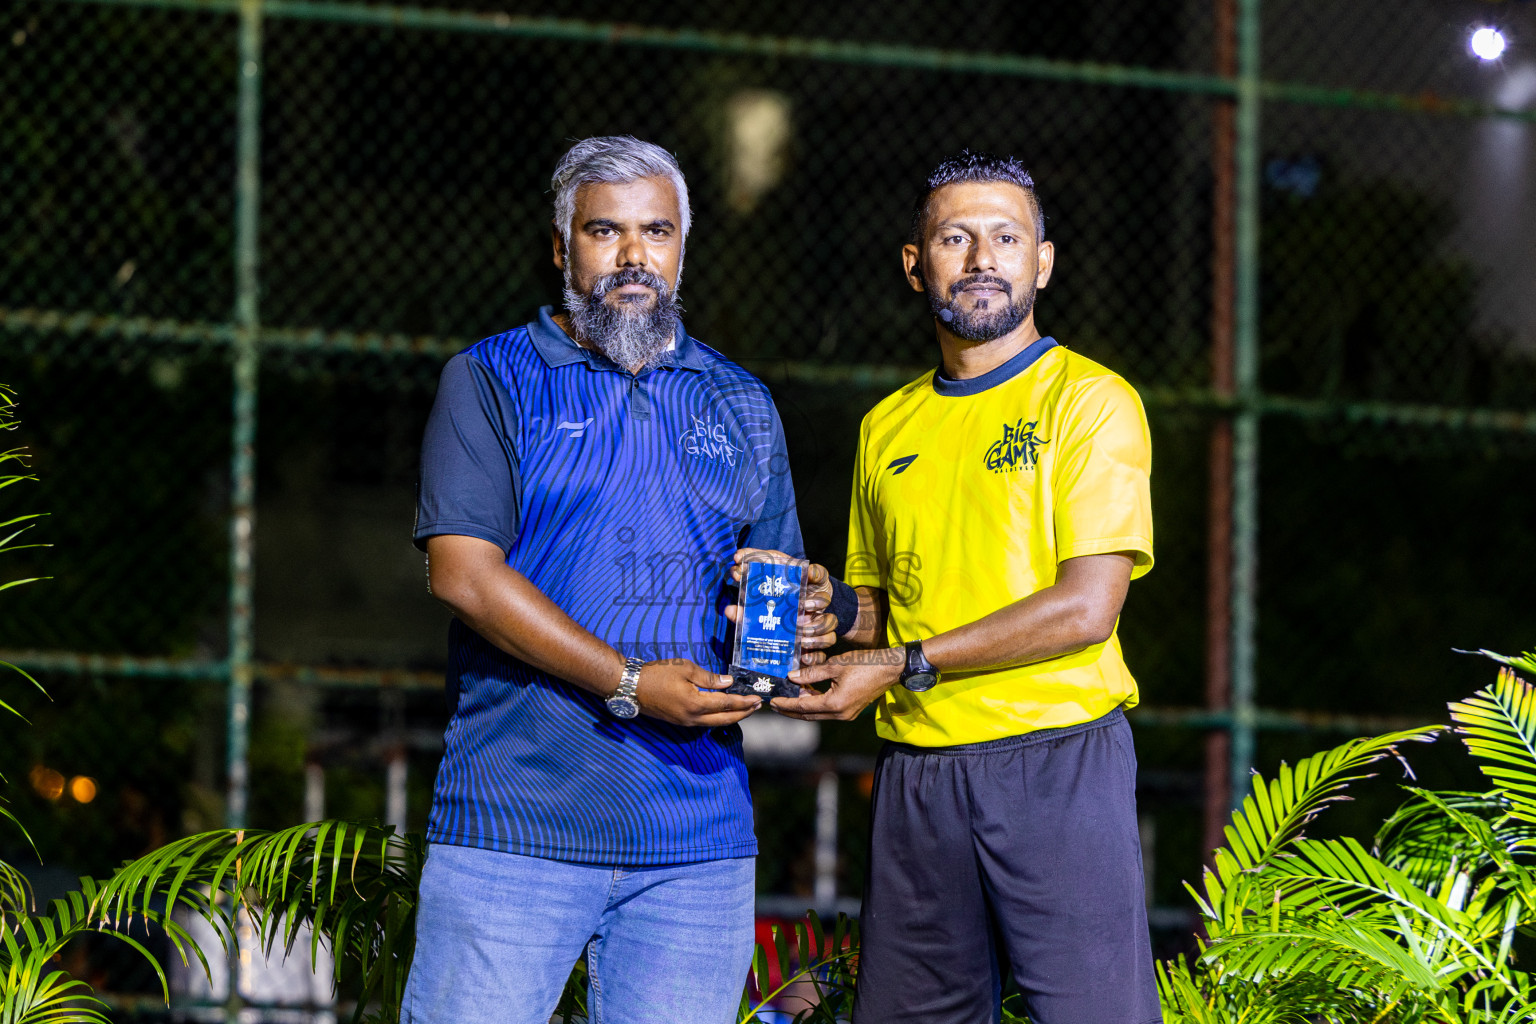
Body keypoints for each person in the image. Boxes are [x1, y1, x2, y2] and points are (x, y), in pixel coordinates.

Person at [402, 136, 814, 1024]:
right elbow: (463, 576)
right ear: (562, 248)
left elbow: (774, 592)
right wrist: (631, 685)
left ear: (681, 247)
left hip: (695, 844)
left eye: (656, 231)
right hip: (515, 830)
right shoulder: (490, 380)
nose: (634, 256)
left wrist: (793, 630)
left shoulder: (740, 400)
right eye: (605, 231)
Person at [767, 152, 1162, 1024]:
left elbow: (1087, 607)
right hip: (917, 777)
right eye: (955, 237)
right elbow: (884, 604)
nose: (983, 258)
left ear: (1042, 263)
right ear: (917, 266)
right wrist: (825, 611)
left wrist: (903, 660)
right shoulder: (889, 425)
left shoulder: (1089, 401)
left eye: (1006, 237)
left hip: (1058, 758)